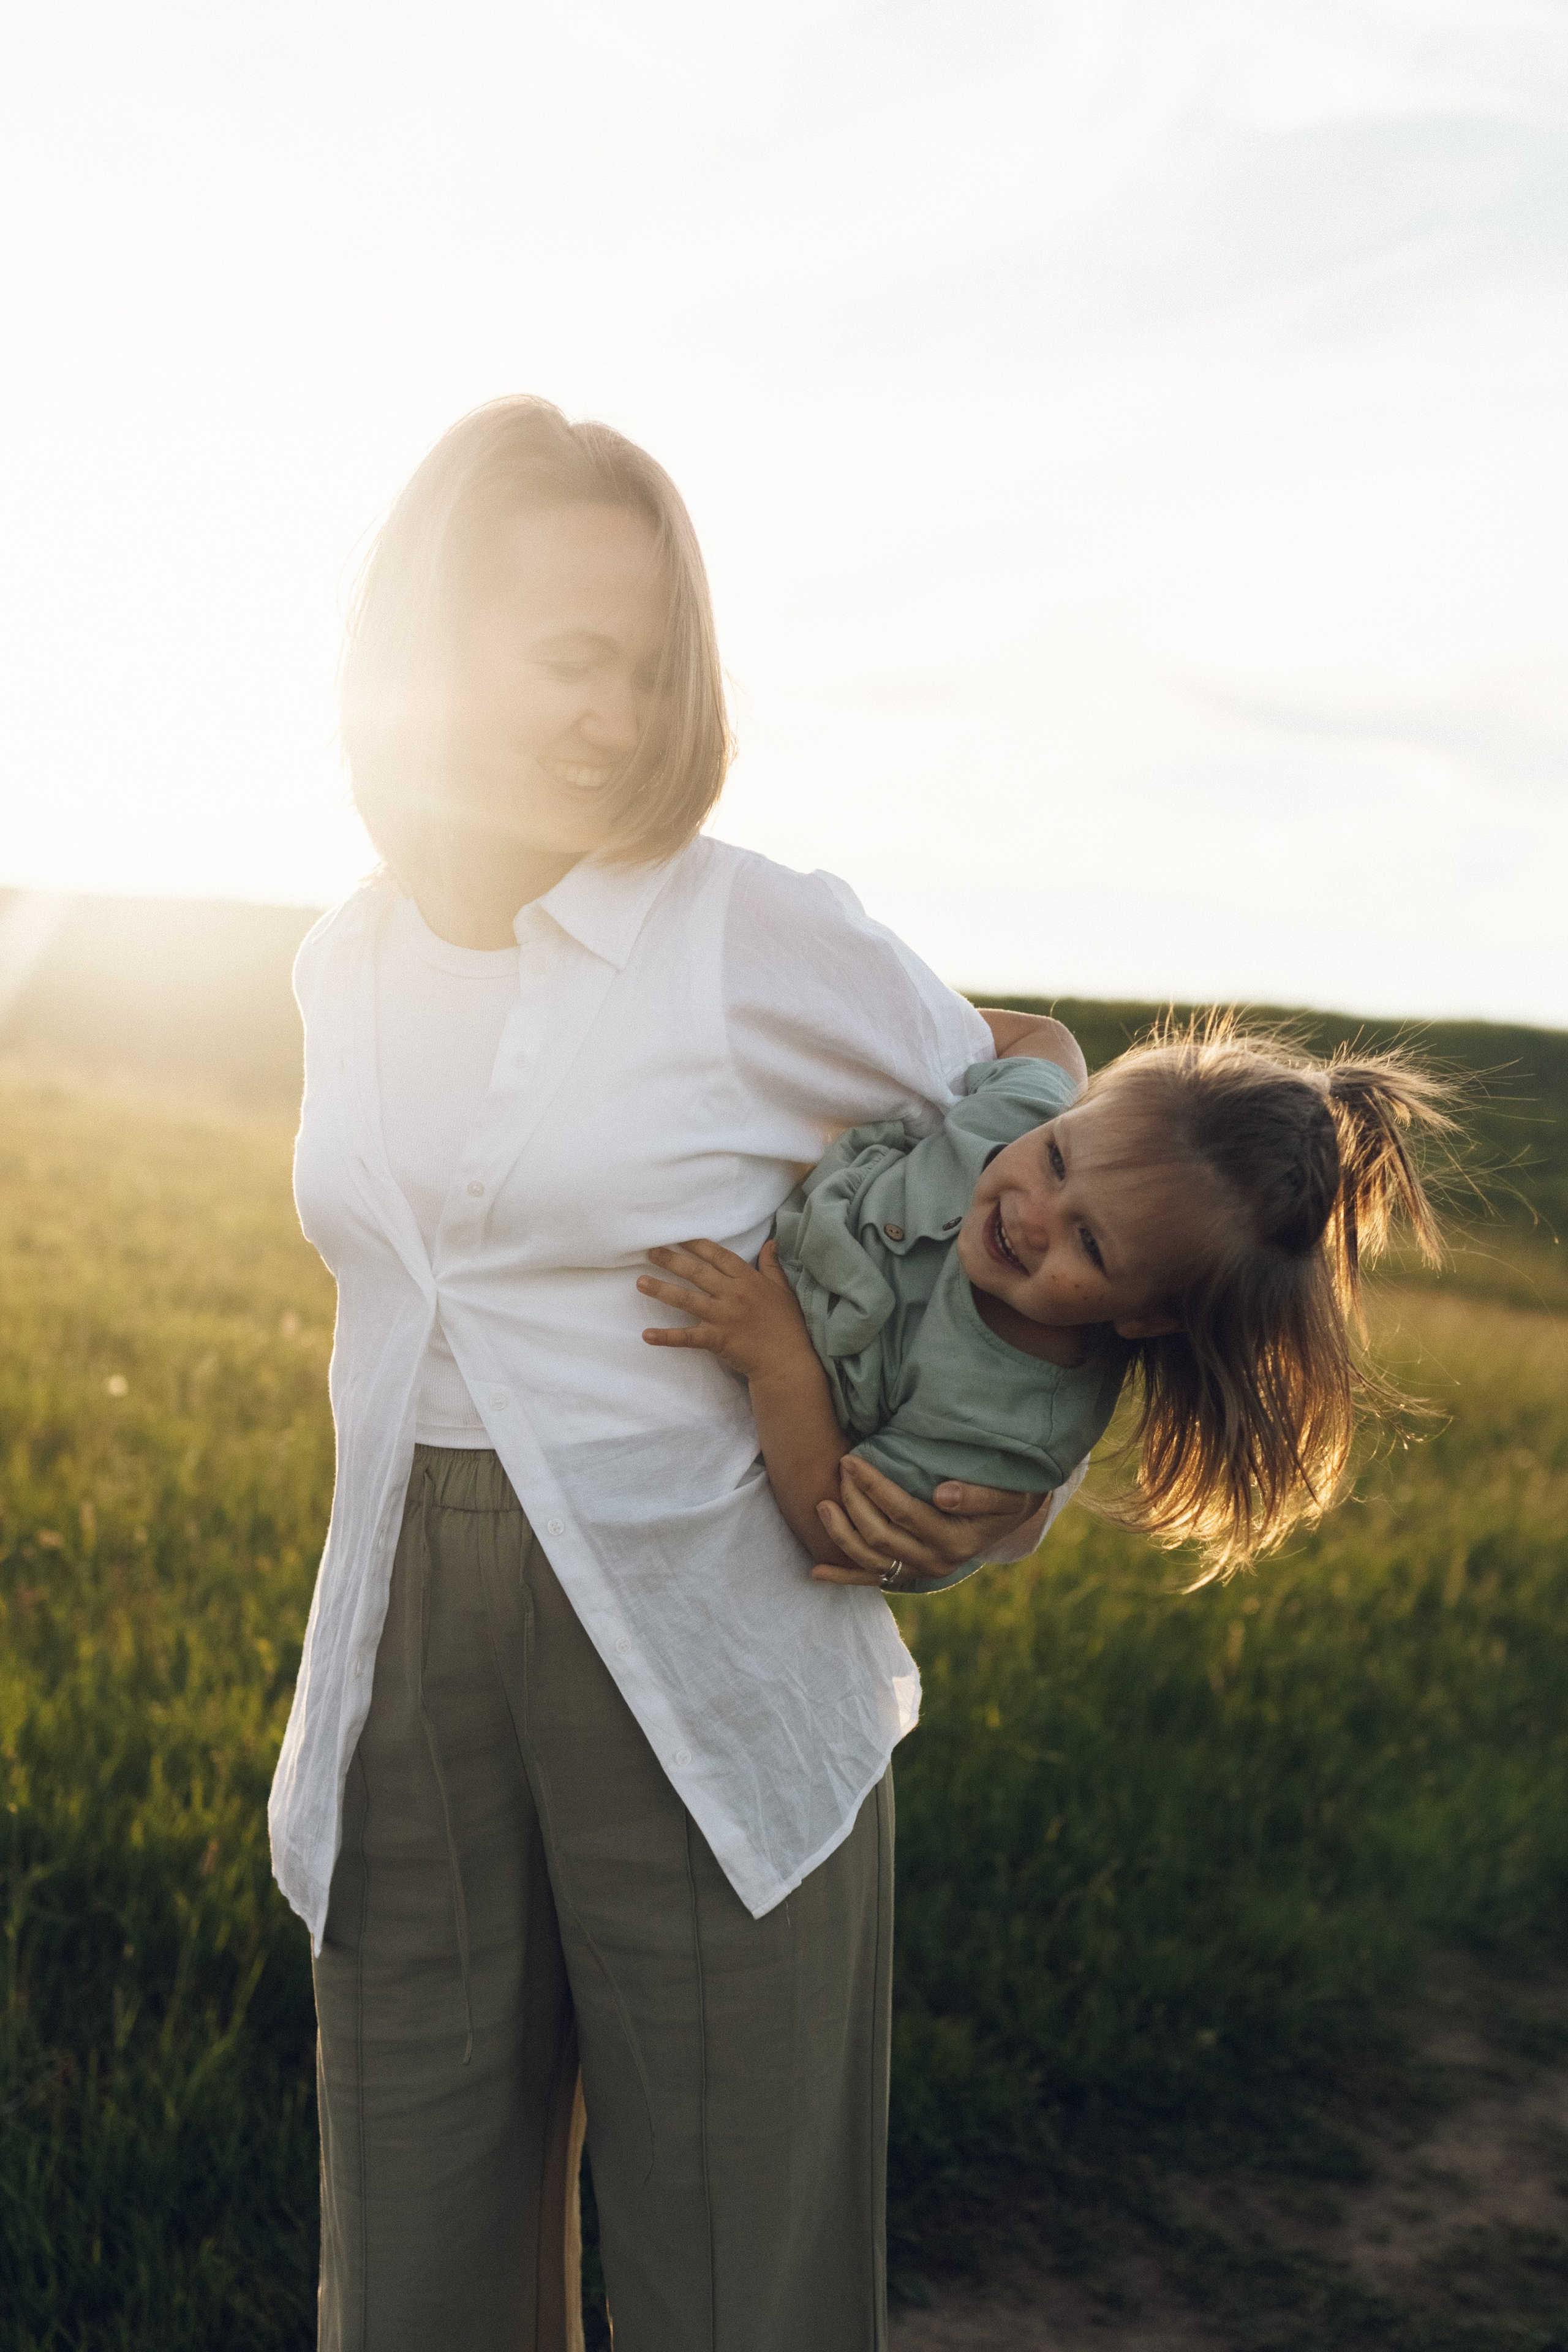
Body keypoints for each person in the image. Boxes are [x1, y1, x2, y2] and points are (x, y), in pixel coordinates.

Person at [268, 395, 1058, 2352]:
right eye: (564, 662)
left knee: (737, 2262)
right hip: (401, 1650)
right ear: (424, 654)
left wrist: (1007, 1465)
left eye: (649, 672)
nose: (613, 722)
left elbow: (1037, 1112)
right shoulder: (342, 960)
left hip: (704, 1646)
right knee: (417, 2235)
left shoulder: (748, 934)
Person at [636, 1017, 1453, 1588]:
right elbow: (1047, 1042)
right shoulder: (1016, 1118)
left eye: (1089, 1245)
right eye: (1058, 1160)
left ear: (1145, 1315)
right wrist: (886, 1034)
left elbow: (838, 1524)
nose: (1030, 1217)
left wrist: (781, 1360)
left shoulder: (1008, 1425)